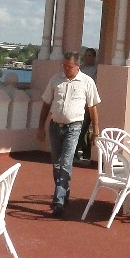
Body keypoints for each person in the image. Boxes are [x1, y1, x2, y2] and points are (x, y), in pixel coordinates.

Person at [37, 51, 100, 217]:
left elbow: (92, 107)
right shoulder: (55, 80)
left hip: (74, 127)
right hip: (55, 126)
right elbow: (46, 104)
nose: (66, 69)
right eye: (64, 66)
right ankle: (64, 193)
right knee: (56, 164)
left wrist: (96, 129)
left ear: (77, 66)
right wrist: (40, 127)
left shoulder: (87, 82)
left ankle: (58, 199)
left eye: (69, 67)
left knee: (66, 162)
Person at [76, 48, 98, 165]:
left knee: (84, 129)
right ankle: (82, 151)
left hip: (89, 104)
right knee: (79, 129)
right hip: (79, 103)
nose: (87, 58)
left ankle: (86, 152)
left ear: (94, 57)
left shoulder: (96, 70)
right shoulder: (81, 69)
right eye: (86, 55)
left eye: (89, 56)